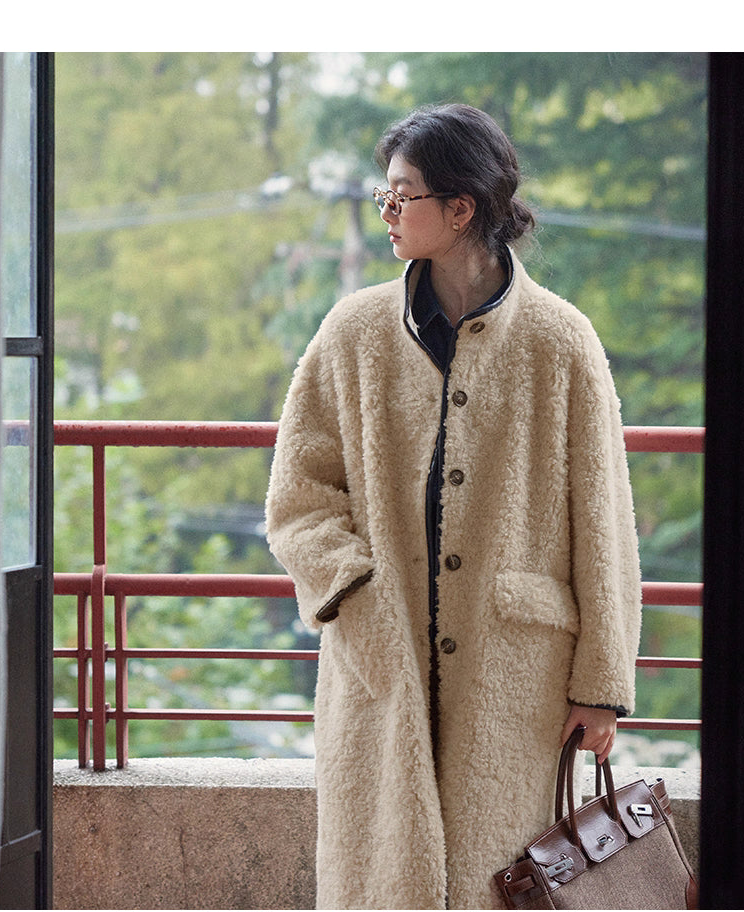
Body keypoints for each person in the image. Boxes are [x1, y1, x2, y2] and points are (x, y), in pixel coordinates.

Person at [265, 103, 642, 910]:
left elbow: (603, 523)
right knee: (380, 875)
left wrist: (600, 684)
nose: (389, 212)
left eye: (404, 195)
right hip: (378, 652)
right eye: (385, 195)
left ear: (462, 207)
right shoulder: (353, 333)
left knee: (497, 875)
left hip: (520, 671)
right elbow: (298, 497)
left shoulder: (560, 341)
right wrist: (353, 590)